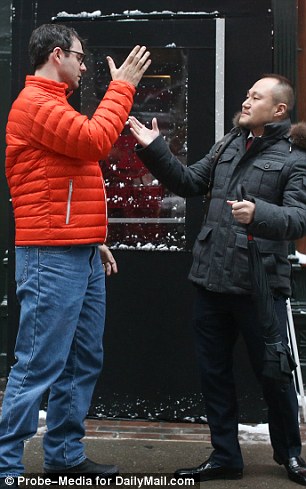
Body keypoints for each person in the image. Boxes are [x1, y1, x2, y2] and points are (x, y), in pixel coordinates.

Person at [129, 74, 306, 485]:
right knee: (214, 374)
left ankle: (290, 456)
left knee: (275, 376)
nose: (246, 101)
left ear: (279, 109)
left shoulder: (295, 159)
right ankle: (225, 455)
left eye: (255, 97)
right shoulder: (227, 144)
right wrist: (156, 150)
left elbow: (299, 218)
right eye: (247, 94)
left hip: (260, 284)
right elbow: (189, 182)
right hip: (212, 279)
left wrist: (258, 213)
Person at [0, 23, 151, 487]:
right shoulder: (36, 105)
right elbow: (95, 141)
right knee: (39, 362)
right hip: (50, 257)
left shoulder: (54, 106)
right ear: (58, 55)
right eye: (81, 58)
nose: (85, 67)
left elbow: (63, 184)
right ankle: (5, 466)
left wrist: (92, 237)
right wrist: (122, 86)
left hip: (77, 251)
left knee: (83, 359)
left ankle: (65, 455)